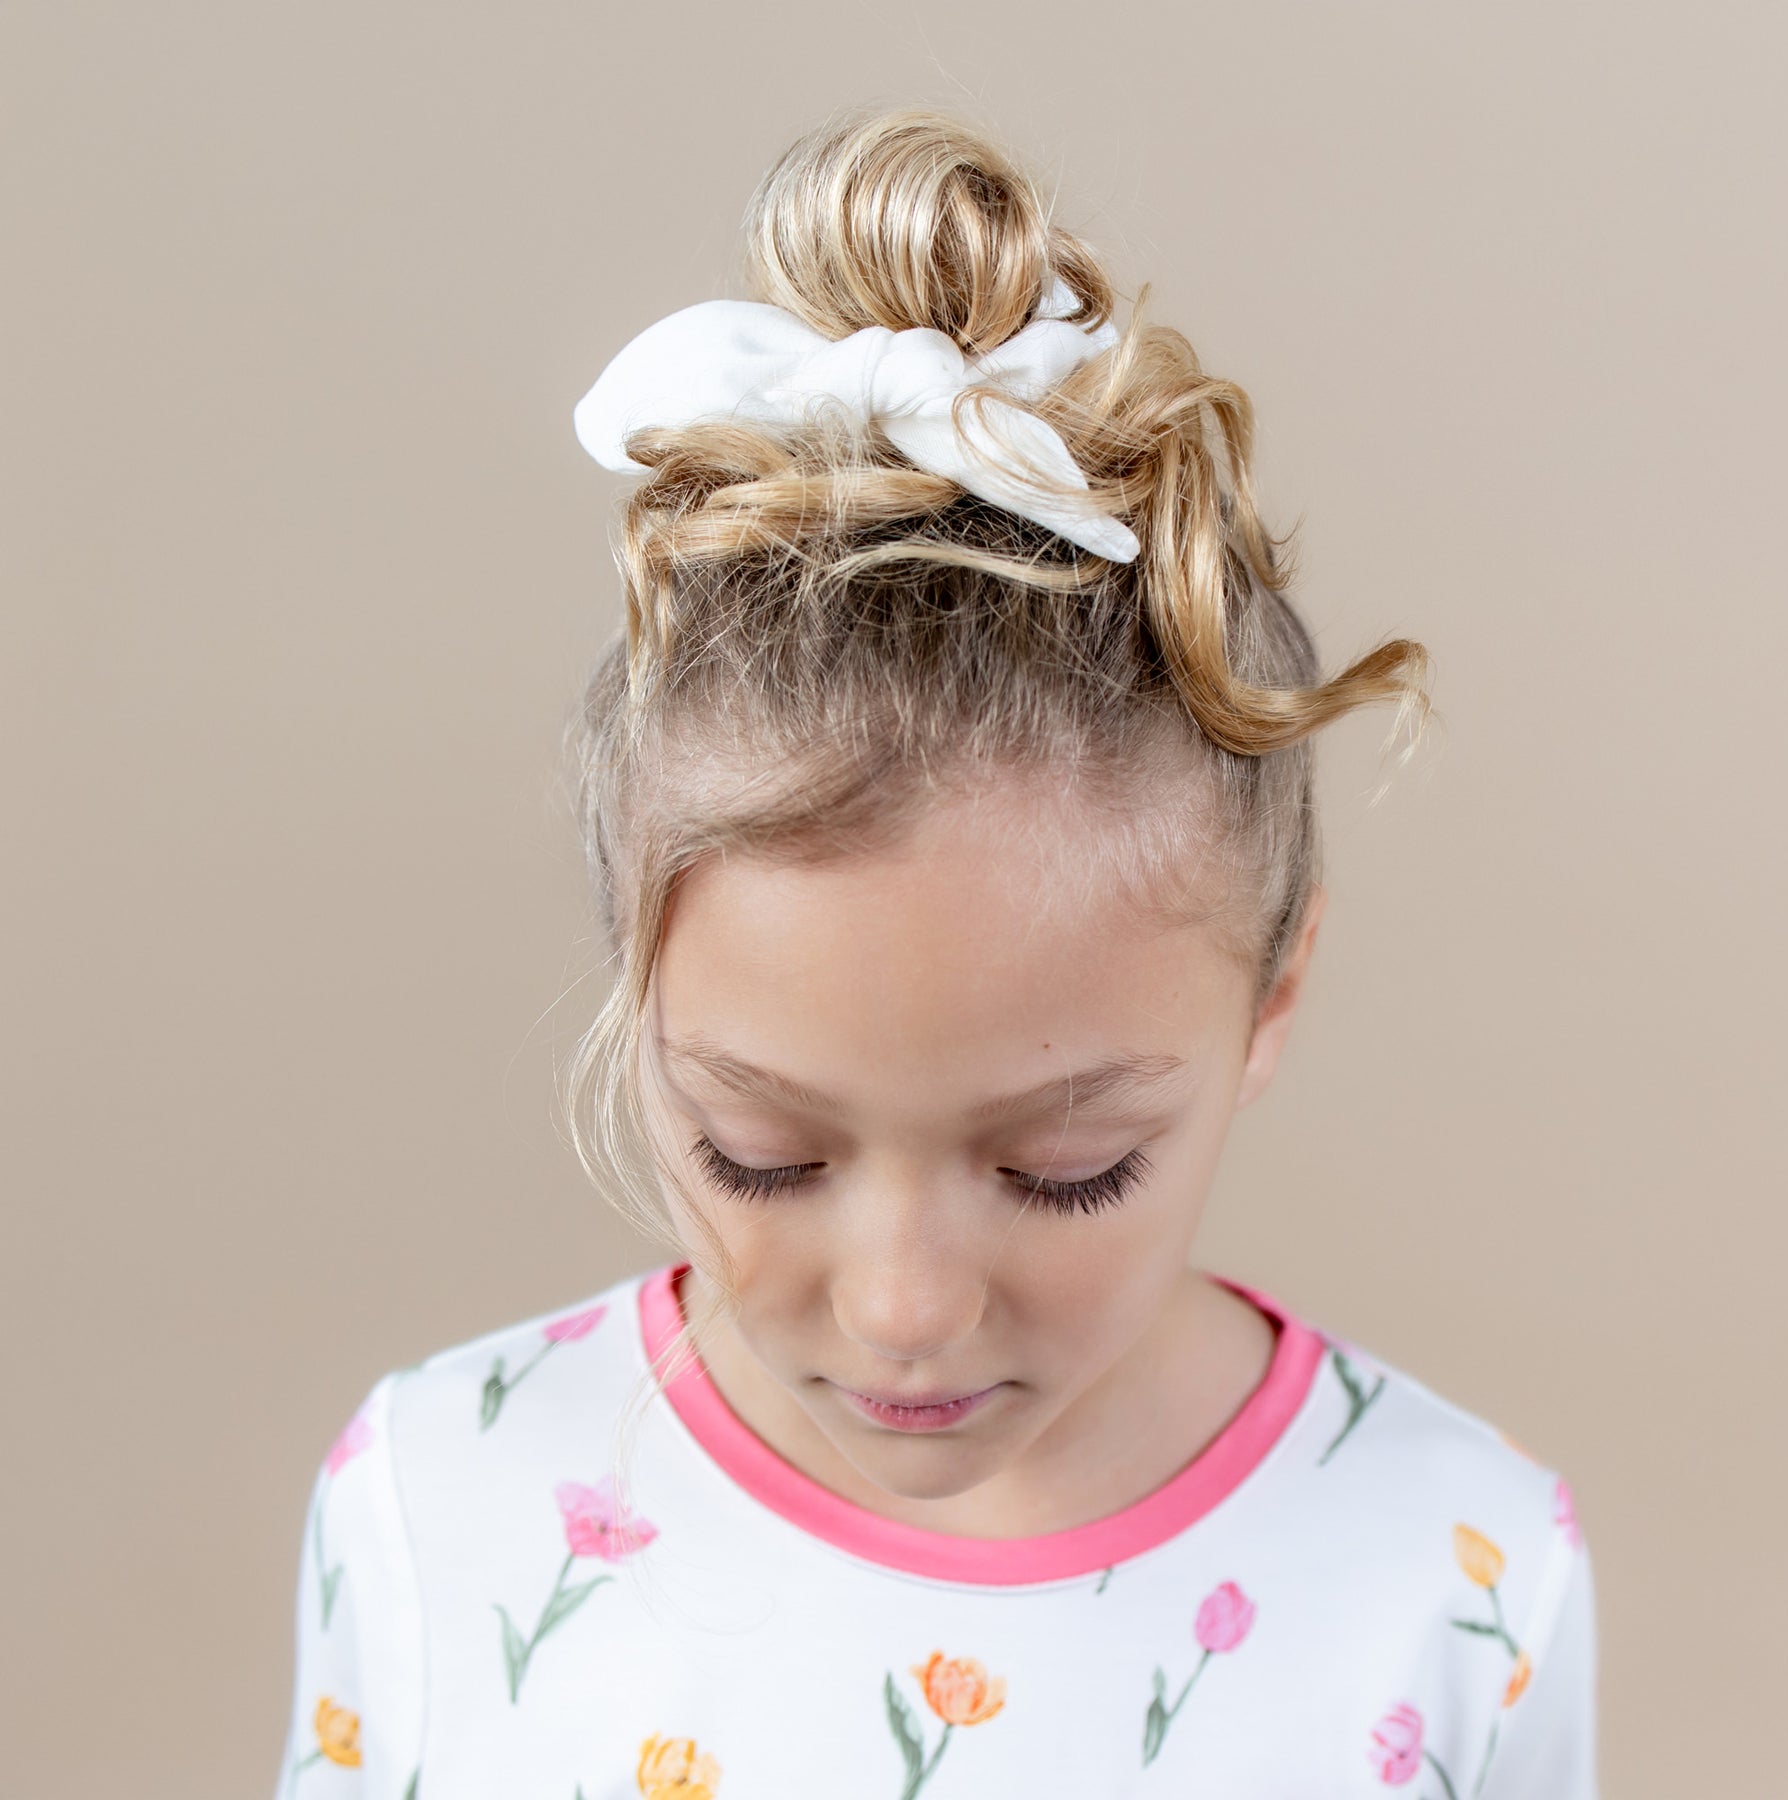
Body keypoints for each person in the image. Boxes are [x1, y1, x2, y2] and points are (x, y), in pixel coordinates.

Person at [272, 103, 1599, 1800]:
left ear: (1274, 994)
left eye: (1065, 1172)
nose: (904, 1310)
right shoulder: (438, 1507)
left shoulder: (1463, 1575)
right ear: (637, 987)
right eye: (757, 1153)